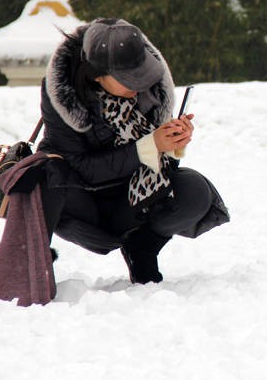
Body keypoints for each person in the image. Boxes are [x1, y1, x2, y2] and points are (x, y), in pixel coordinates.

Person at [38, 18, 229, 284]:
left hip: (131, 201)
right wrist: (151, 145)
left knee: (195, 190)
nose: (139, 84)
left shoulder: (150, 94)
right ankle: (34, 265)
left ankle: (142, 246)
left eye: (143, 73)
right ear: (96, 73)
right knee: (46, 172)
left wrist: (173, 143)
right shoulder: (64, 99)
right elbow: (82, 169)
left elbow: (161, 169)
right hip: (84, 205)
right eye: (129, 79)